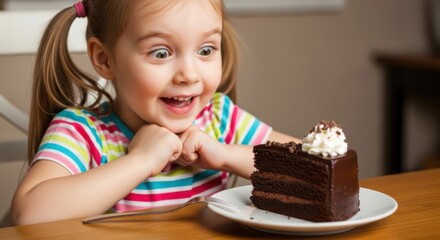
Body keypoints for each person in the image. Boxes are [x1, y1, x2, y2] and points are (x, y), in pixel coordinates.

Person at [11, 0, 299, 225]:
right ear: (104, 59)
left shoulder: (220, 120)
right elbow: (30, 214)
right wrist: (141, 161)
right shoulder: (83, 132)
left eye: (207, 49)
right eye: (161, 53)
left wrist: (226, 155)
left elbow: (317, 173)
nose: (189, 74)